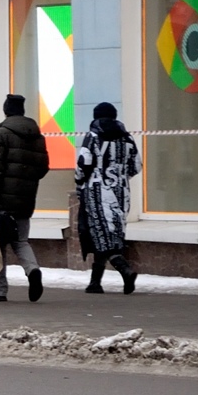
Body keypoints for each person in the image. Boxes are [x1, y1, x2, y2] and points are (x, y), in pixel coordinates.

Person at [0, 94, 52, 302]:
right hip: (26, 198)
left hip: (2, 199)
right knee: (21, 240)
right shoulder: (37, 135)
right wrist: (26, 183)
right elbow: (43, 167)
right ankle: (33, 270)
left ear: (6, 110)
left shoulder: (1, 133)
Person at [75, 102, 140, 294]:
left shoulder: (93, 136)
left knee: (101, 234)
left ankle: (125, 269)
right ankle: (95, 282)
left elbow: (83, 163)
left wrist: (80, 183)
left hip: (96, 192)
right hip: (121, 193)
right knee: (110, 235)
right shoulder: (127, 138)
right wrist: (119, 176)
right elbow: (136, 166)